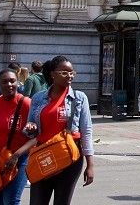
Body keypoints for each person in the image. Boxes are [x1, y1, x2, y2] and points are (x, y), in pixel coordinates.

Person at [11, 55, 95, 205]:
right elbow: (30, 129)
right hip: (43, 155)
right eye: (64, 72)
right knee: (37, 201)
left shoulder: (79, 98)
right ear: (52, 74)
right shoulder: (38, 98)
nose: (69, 76)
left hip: (70, 157)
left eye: (71, 73)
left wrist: (90, 165)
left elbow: (86, 132)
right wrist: (30, 128)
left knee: (62, 202)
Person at [0, 69, 32, 205]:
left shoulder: (26, 103)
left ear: (18, 83)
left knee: (11, 200)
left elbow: (36, 136)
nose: (9, 84)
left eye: (12, 81)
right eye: (5, 82)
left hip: (19, 159)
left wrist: (17, 155)